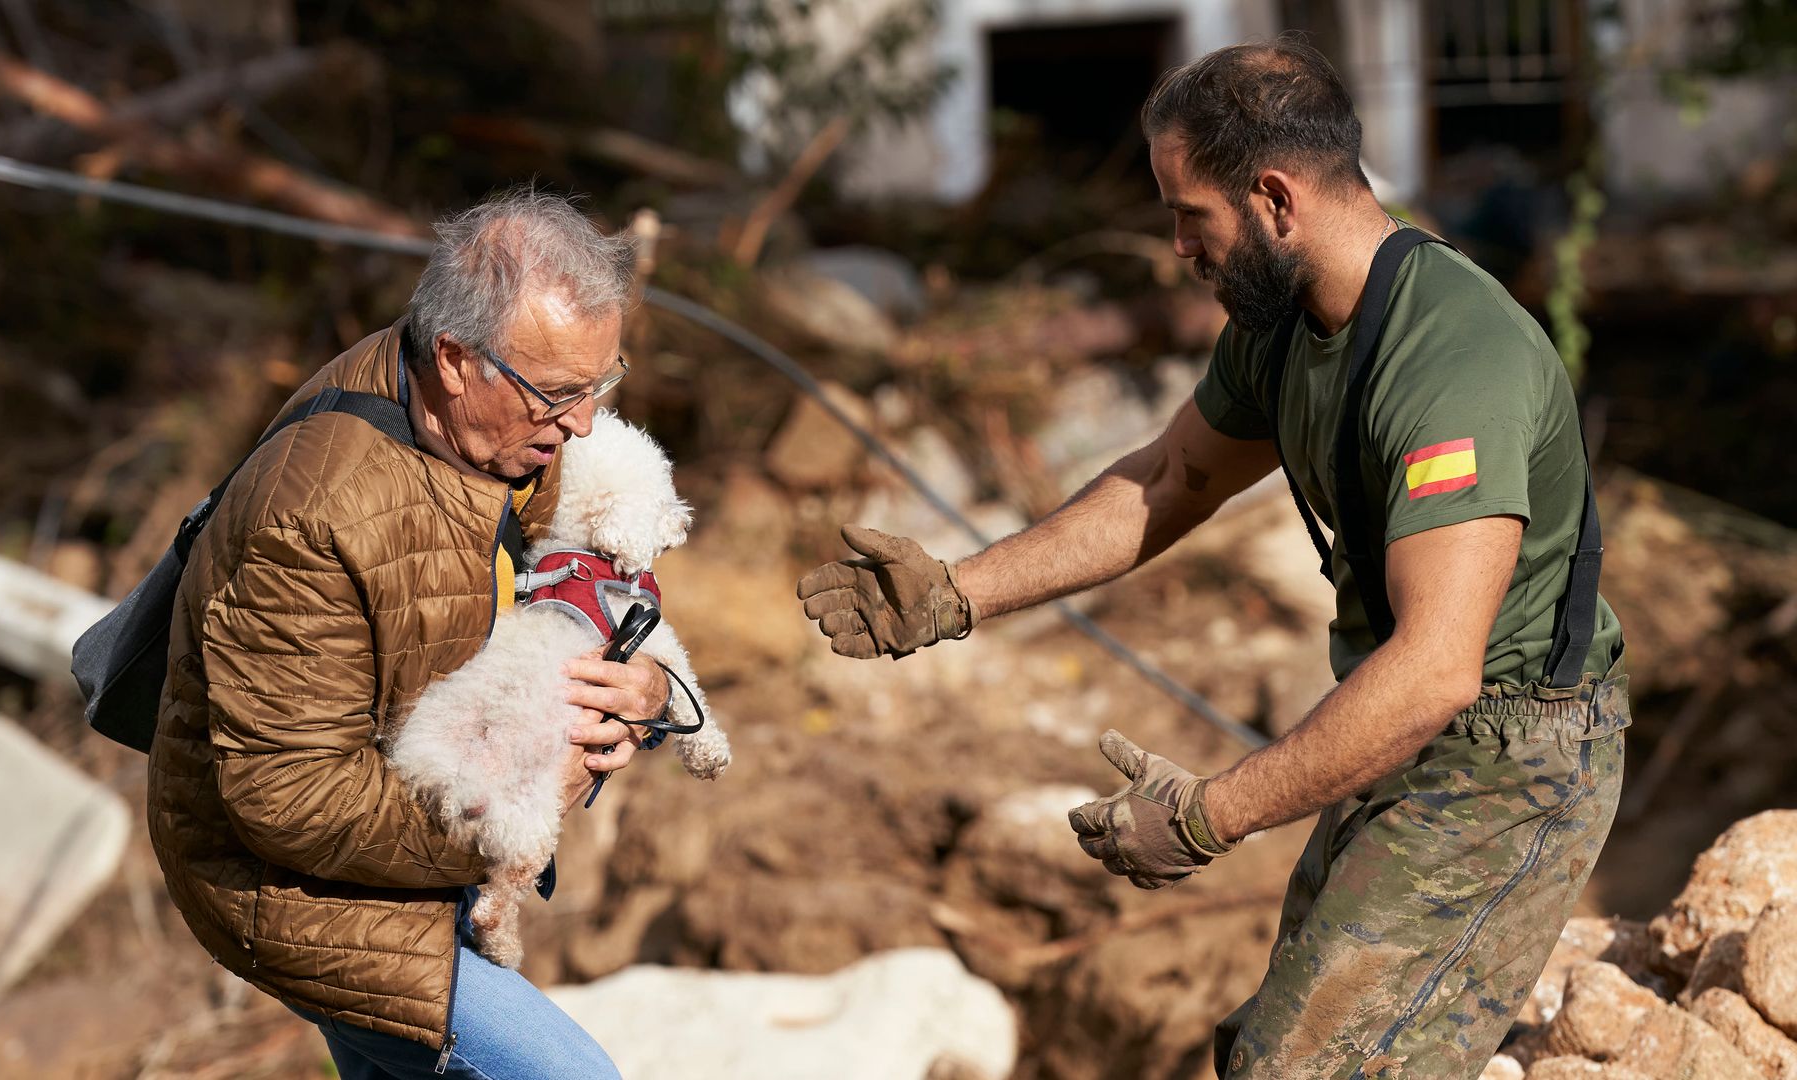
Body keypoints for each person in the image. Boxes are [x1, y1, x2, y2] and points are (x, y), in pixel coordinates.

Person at [797, 38, 1628, 1080]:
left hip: (1510, 763)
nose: (1180, 250)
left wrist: (1207, 816)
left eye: (1192, 216)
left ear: (1275, 199)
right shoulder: (1283, 325)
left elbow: (1436, 668)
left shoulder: (1455, 360)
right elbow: (1167, 482)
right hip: (1407, 726)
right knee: (1262, 1055)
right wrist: (955, 595)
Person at [148, 191, 674, 1079]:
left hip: (421, 849)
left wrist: (652, 695)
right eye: (559, 395)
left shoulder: (508, 431)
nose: (583, 423)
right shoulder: (309, 517)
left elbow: (602, 585)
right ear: (458, 359)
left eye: (602, 382)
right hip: (298, 894)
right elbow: (287, 800)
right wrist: (521, 806)